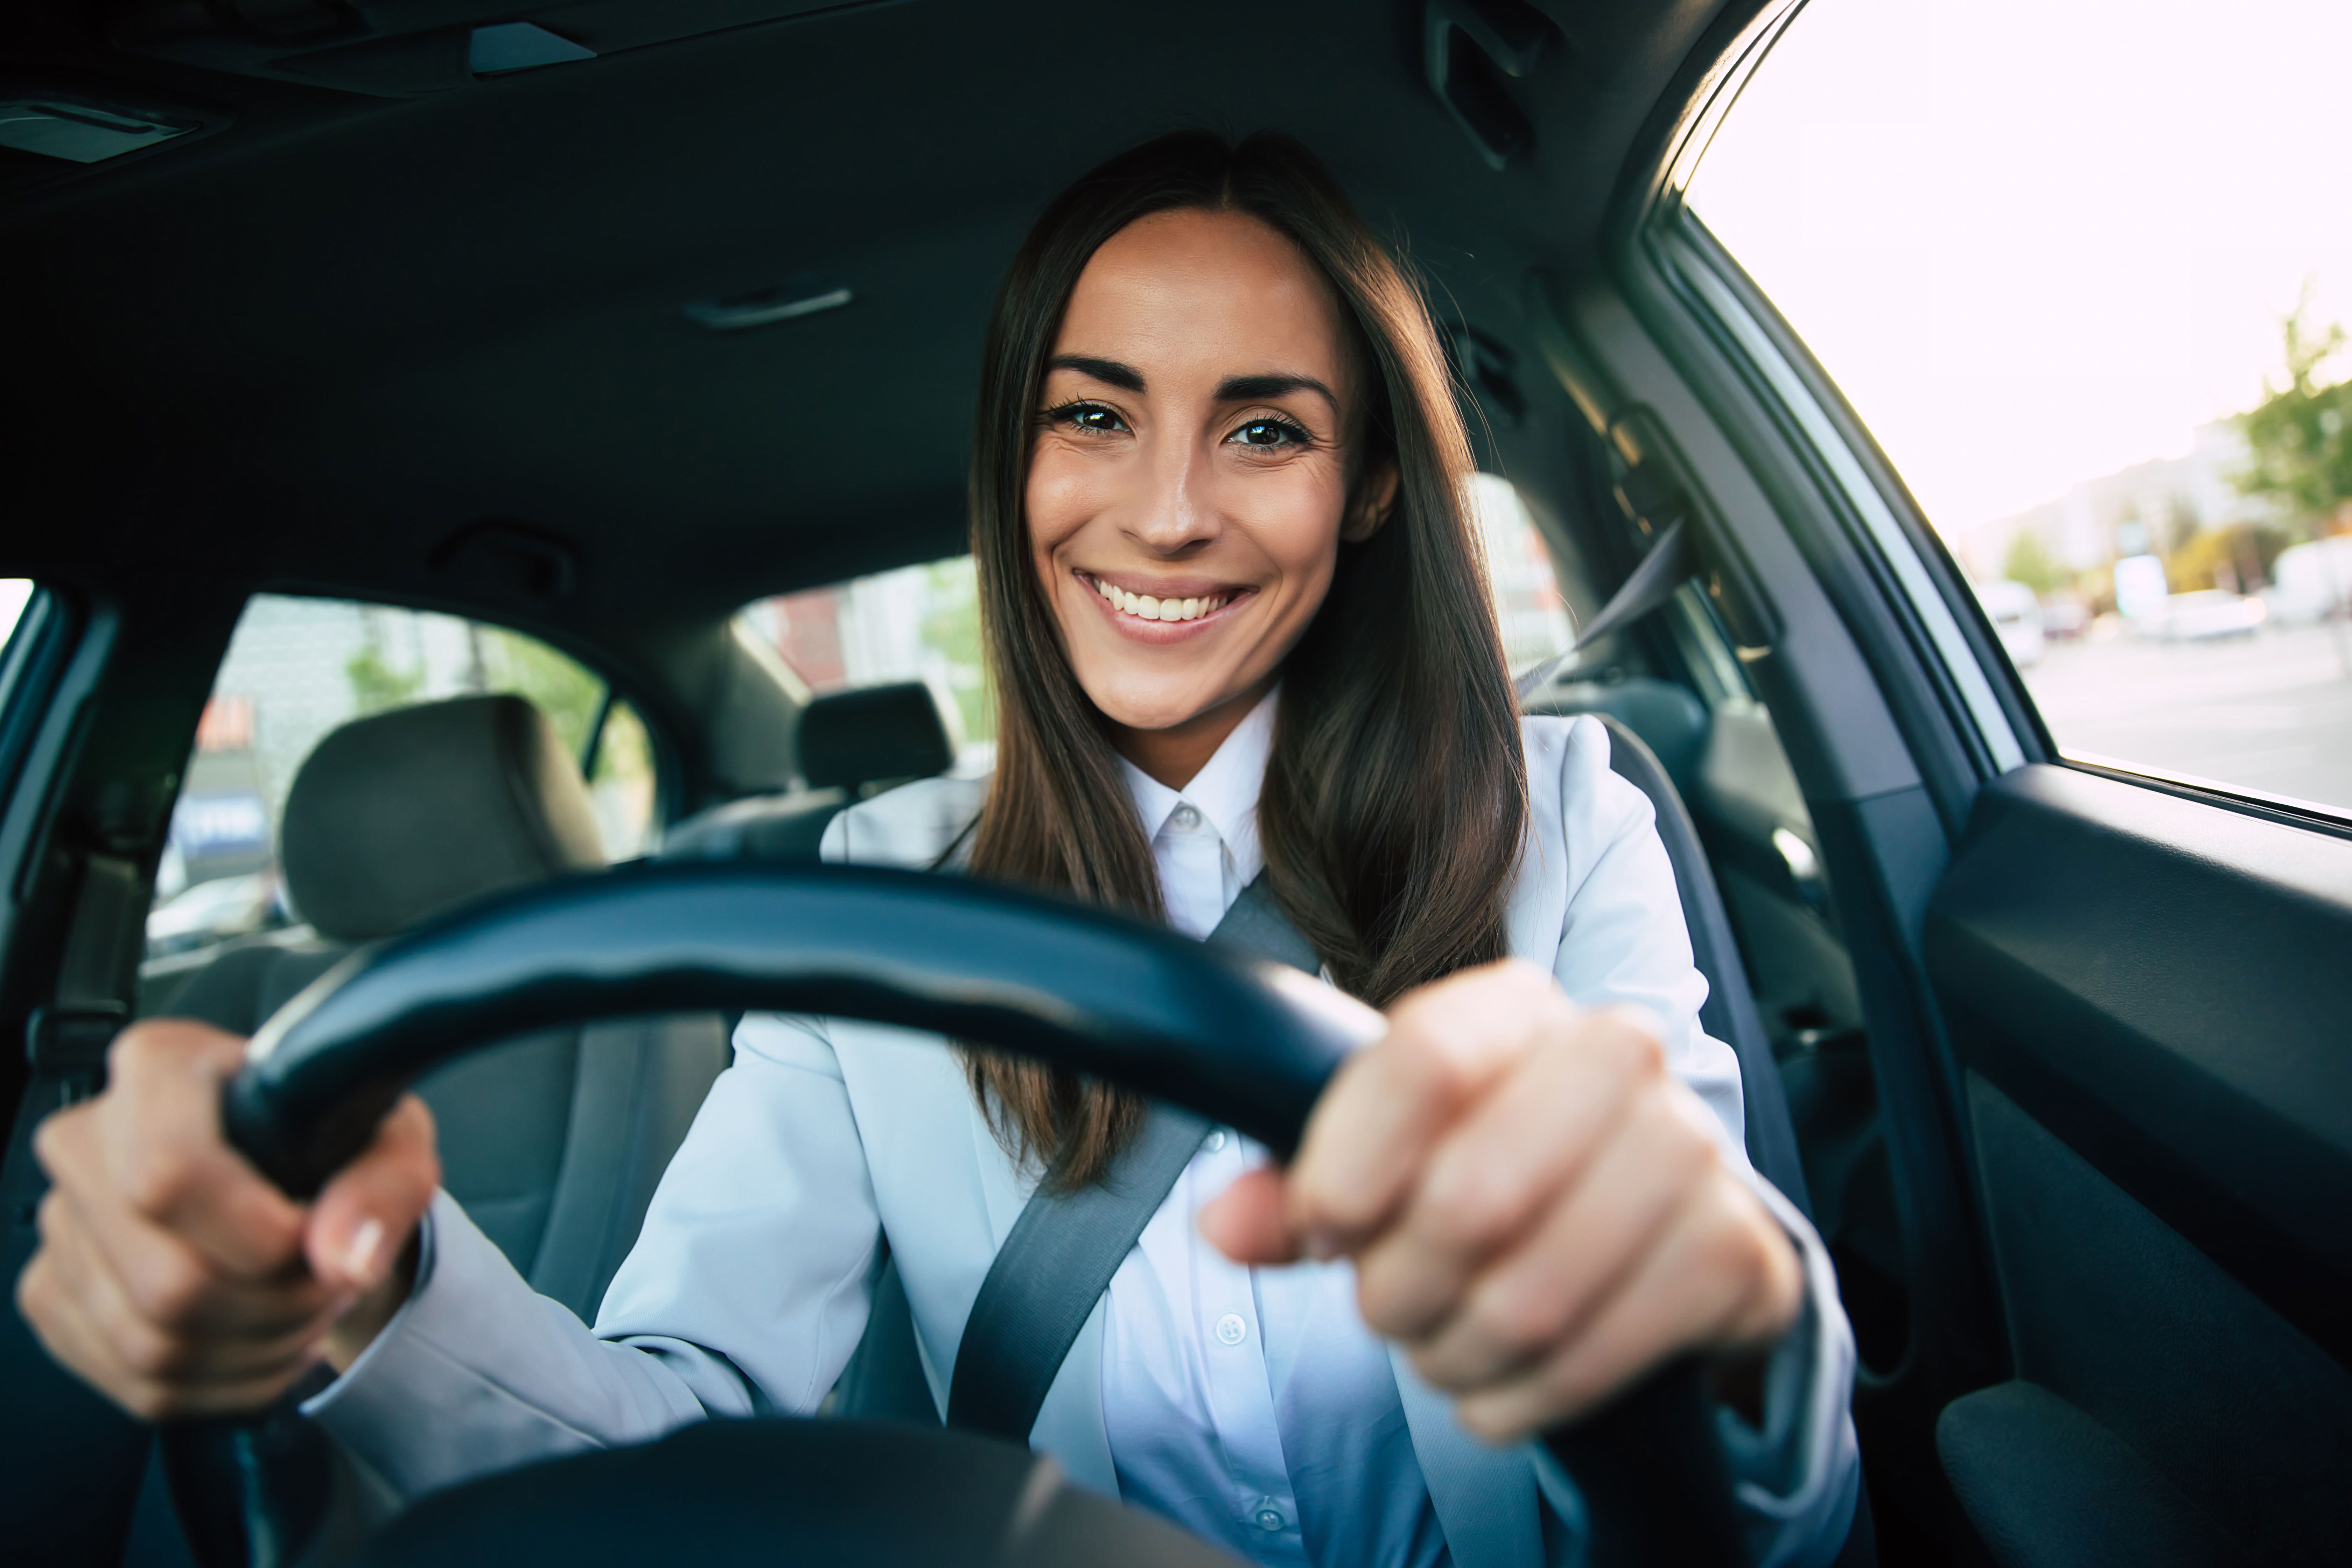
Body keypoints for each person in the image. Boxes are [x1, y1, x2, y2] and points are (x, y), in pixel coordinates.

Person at [20, 131, 1859, 1566]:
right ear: (1018, 458)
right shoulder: (867, 899)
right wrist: (363, 1292)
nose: (1165, 511)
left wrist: (1725, 1328)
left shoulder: (1566, 818)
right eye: (1094, 415)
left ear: (1370, 484)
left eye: (1266, 430)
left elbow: (1762, 1502)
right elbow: (685, 1441)